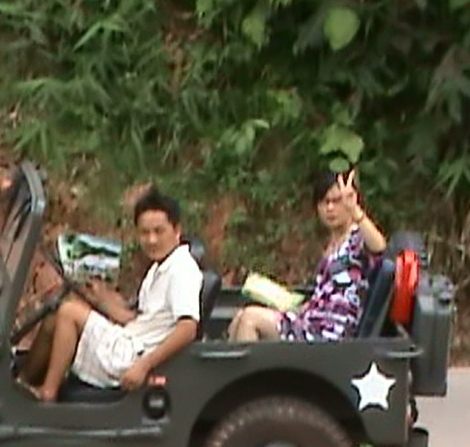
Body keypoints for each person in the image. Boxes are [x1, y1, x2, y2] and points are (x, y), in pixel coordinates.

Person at [20, 187, 203, 402]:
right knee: (55, 317)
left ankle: (48, 392)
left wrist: (143, 366)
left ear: (177, 230)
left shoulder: (182, 270)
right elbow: (138, 319)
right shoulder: (159, 267)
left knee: (69, 311)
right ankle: (21, 384)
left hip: (135, 356)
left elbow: (188, 328)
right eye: (145, 233)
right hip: (131, 341)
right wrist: (100, 300)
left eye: (158, 231)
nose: (151, 240)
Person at [228, 168, 387, 342]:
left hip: (332, 331)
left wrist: (355, 210)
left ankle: (252, 362)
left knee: (250, 319)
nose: (330, 208)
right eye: (324, 202)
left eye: (336, 201)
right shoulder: (332, 242)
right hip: (312, 320)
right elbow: (323, 296)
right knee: (240, 318)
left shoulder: (357, 239)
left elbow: (379, 247)